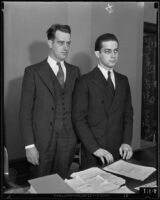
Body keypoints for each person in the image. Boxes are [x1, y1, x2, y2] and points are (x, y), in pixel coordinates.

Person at [19, 24, 80, 179]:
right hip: (41, 143)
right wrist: (29, 145)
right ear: (50, 43)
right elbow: (25, 113)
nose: (65, 47)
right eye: (60, 42)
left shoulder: (75, 71)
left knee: (61, 183)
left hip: (68, 141)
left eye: (68, 43)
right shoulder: (33, 72)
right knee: (40, 185)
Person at [72, 33, 133, 170]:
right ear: (97, 54)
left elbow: (128, 115)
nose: (113, 55)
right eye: (107, 51)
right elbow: (78, 119)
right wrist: (95, 148)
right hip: (94, 152)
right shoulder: (84, 81)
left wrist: (126, 142)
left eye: (115, 51)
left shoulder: (123, 80)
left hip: (119, 151)